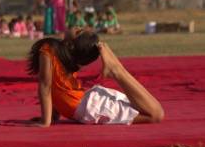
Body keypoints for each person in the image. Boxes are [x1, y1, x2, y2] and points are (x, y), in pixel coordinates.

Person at [27, 31, 164, 126]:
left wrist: (45, 121)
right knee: (150, 111)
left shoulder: (49, 49)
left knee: (155, 114)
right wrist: (52, 116)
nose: (75, 26)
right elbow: (56, 89)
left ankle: (116, 70)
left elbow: (45, 86)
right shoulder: (62, 57)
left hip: (90, 106)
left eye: (78, 31)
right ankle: (114, 65)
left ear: (71, 44)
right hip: (91, 102)